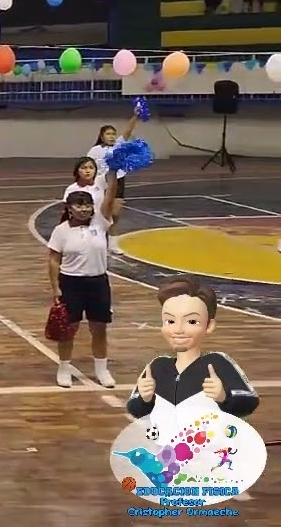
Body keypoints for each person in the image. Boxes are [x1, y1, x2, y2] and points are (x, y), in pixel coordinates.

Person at [126, 277, 258, 435]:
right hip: (167, 448)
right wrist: (144, 399)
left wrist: (224, 397)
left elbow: (249, 401)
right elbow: (135, 409)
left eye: (192, 321)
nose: (179, 330)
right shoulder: (157, 367)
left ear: (209, 325)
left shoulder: (218, 363)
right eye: (170, 321)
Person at [47, 171, 118, 388]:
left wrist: (113, 173)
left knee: (99, 328)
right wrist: (55, 288)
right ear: (69, 208)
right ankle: (64, 369)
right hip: (71, 283)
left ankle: (102, 370)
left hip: (98, 283)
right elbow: (53, 260)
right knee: (68, 329)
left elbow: (110, 197)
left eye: (87, 205)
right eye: (79, 205)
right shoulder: (60, 231)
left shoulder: (100, 222)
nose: (84, 209)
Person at [87, 104, 140, 254]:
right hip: (101, 184)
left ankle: (112, 243)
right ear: (102, 136)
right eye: (108, 134)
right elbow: (88, 167)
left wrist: (135, 116)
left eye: (113, 134)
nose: (111, 136)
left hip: (118, 182)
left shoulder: (119, 146)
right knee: (100, 214)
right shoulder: (95, 150)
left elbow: (128, 131)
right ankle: (94, 241)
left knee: (115, 214)